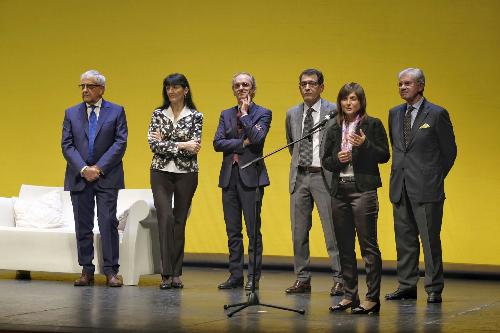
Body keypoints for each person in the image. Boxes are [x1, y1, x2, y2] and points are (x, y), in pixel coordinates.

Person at [385, 68, 457, 304]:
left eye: (407, 83)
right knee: (404, 240)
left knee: (429, 240)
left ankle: (434, 288)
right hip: (400, 186)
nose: (402, 87)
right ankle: (406, 285)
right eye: (400, 84)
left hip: (427, 188)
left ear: (421, 85)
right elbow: (398, 147)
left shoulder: (436, 114)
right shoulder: (394, 113)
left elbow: (449, 152)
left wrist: (433, 176)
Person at [323, 82, 390, 314]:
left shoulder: (372, 124)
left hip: (363, 190)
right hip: (339, 190)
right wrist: (338, 159)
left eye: (353, 99)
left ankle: (372, 298)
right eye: (344, 99)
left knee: (368, 246)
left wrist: (365, 144)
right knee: (344, 246)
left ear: (361, 101)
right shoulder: (333, 127)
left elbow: (384, 155)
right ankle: (350, 295)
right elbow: (326, 161)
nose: (348, 103)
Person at [62, 69, 128, 287]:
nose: (85, 90)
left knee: (108, 222)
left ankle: (110, 271)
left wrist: (98, 168)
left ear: (101, 89)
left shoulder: (117, 111)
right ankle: (86, 270)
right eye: (82, 86)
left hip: (107, 177)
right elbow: (67, 145)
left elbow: (120, 143)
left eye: (89, 86)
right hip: (79, 177)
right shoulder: (71, 113)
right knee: (83, 224)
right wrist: (83, 169)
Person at [284, 68, 343, 295]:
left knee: (332, 231)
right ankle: (302, 278)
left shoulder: (333, 111)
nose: (307, 87)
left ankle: (340, 278)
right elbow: (292, 145)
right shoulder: (292, 113)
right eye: (303, 84)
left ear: (321, 87)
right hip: (299, 176)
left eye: (312, 83)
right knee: (299, 232)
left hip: (323, 176)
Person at [213, 72, 272, 291]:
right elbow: (217, 143)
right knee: (233, 231)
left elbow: (257, 139)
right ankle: (235, 275)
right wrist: (241, 143)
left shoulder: (263, 113)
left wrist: (246, 115)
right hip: (229, 176)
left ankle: (253, 277)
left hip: (252, 177)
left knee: (253, 231)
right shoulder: (226, 114)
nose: (241, 88)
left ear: (253, 89)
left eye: (245, 85)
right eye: (237, 85)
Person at [148, 73, 202, 290]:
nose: (171, 91)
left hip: (186, 174)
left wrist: (169, 142)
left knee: (180, 221)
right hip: (160, 172)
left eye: (176, 87)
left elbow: (195, 149)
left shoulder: (196, 116)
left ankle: (176, 273)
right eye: (168, 87)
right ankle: (165, 273)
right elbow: (154, 145)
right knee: (165, 218)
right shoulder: (158, 114)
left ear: (185, 90)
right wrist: (182, 144)